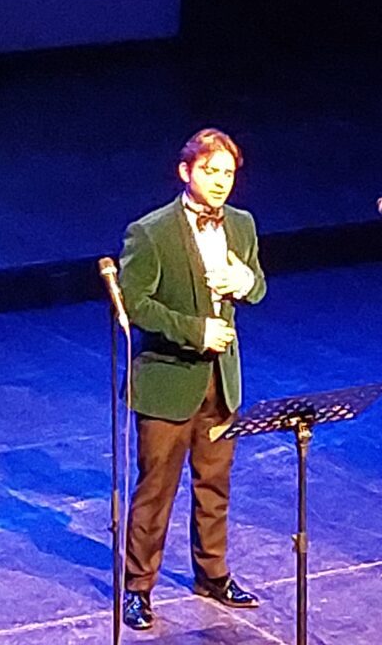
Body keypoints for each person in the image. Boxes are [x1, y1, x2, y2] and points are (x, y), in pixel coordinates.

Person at [118, 128, 267, 631]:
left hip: (221, 381)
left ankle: (213, 574)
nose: (221, 182)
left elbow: (257, 287)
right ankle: (138, 587)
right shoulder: (151, 231)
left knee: (215, 485)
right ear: (186, 171)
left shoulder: (242, 224)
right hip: (167, 381)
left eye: (228, 173)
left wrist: (246, 282)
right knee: (156, 490)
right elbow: (133, 304)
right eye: (210, 171)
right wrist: (195, 330)